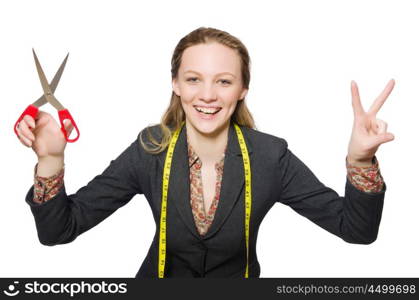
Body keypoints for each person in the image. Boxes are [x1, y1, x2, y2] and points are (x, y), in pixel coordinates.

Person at [16, 27, 394, 278]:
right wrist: (51, 160)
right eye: (194, 79)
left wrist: (360, 161)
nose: (208, 95)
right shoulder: (151, 148)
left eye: (224, 81)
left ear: (243, 89)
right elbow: (59, 232)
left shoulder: (270, 157)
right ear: (176, 85)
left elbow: (356, 231)